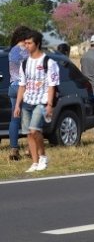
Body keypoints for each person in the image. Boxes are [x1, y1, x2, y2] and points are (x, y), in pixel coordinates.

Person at [13, 30, 60, 172]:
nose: (26, 46)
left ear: (37, 43)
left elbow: (52, 85)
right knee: (28, 133)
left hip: (42, 101)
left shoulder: (49, 62)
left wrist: (50, 104)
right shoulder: (25, 63)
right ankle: (35, 162)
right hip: (28, 101)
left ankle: (43, 156)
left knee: (35, 130)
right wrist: (17, 105)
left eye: (29, 43)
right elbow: (22, 85)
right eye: (25, 43)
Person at [7, 25, 31, 161]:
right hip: (24, 87)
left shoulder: (12, 51)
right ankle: (29, 148)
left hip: (12, 87)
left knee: (14, 119)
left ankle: (14, 148)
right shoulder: (26, 51)